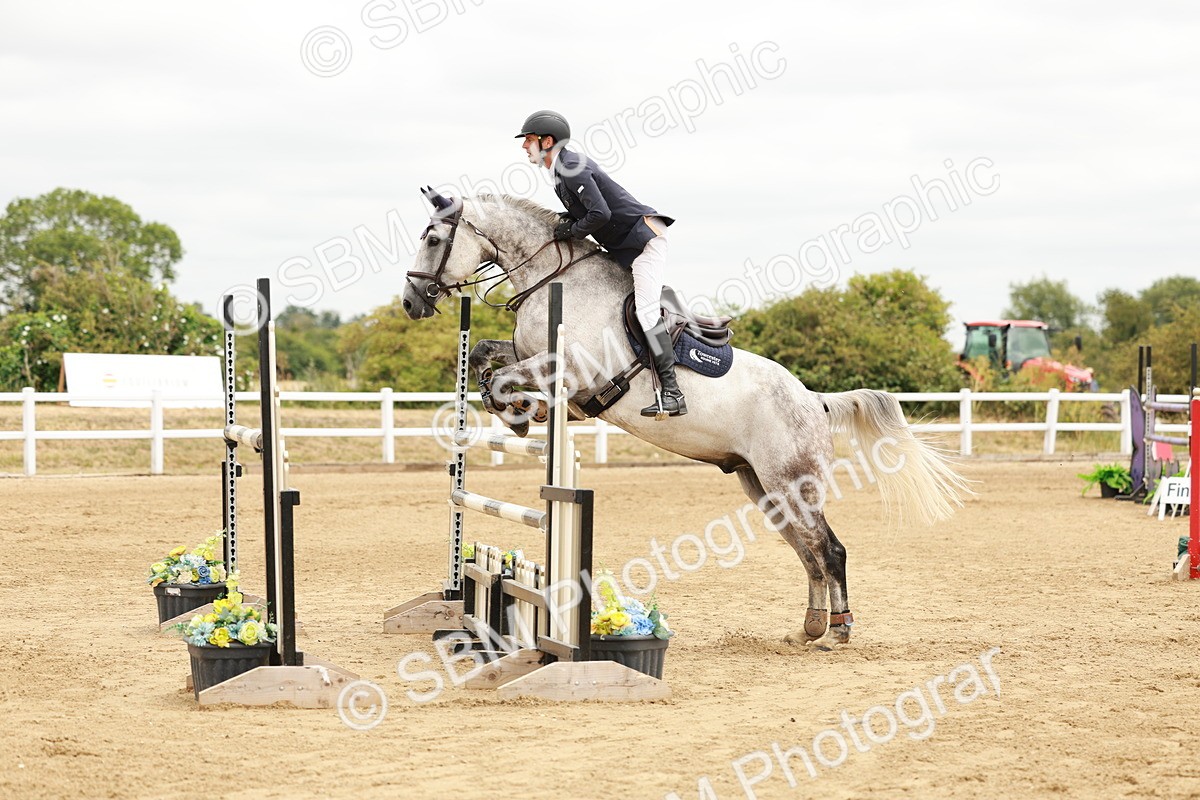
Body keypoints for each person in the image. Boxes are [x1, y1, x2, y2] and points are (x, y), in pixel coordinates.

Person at [515, 109, 686, 418]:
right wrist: (569, 221)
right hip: (624, 245)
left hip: (643, 241)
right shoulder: (559, 171)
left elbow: (601, 215)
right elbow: (588, 213)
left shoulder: (570, 168)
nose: (524, 147)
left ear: (547, 141)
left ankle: (673, 393)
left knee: (646, 313)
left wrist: (575, 231)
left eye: (528, 140)